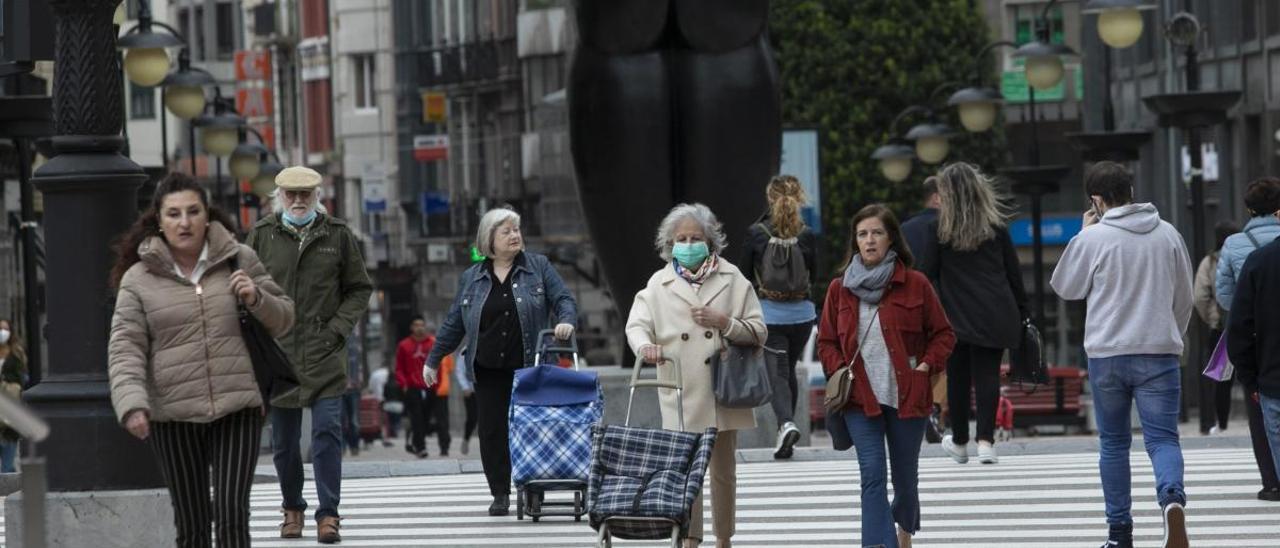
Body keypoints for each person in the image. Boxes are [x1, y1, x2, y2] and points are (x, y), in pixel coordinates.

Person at [107, 174, 295, 548]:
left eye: (193, 212)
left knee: (231, 514)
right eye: (173, 214)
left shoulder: (239, 258)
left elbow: (285, 318)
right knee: (192, 523)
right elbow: (125, 346)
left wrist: (256, 298)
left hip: (237, 405)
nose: (184, 222)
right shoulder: (138, 279)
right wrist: (131, 404)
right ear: (158, 221)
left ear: (207, 216)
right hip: (172, 414)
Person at [1050, 161, 1192, 548]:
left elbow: (1065, 287)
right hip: (1159, 352)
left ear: (1096, 200)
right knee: (1163, 440)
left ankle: (1119, 534)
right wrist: (1171, 336)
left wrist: (1083, 234)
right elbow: (1185, 297)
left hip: (1108, 354)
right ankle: (1172, 501)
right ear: (1131, 191)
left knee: (1114, 443)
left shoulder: (1094, 238)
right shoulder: (1168, 234)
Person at [626, 203, 765, 548]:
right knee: (686, 472)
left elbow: (759, 331)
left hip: (722, 388)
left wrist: (725, 323)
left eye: (695, 237)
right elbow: (637, 324)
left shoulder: (734, 278)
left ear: (710, 241)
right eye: (681, 239)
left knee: (723, 472)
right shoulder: (659, 283)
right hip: (680, 388)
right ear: (669, 244)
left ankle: (723, 537)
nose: (688, 244)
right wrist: (646, 348)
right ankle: (690, 537)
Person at [247, 166, 373, 543]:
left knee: (326, 434)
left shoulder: (338, 235)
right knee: (284, 445)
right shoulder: (261, 235)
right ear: (279, 197)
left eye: (306, 194)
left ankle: (329, 514)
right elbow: (243, 287)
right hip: (279, 354)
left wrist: (337, 329)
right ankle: (292, 508)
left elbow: (359, 289)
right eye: (291, 195)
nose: (299, 201)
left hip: (324, 353)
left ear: (318, 196)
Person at [423, 207, 577, 516]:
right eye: (506, 231)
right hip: (487, 368)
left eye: (517, 230)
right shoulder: (473, 277)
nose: (514, 236)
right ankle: (500, 493)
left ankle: (533, 488)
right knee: (492, 433)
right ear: (489, 239)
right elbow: (455, 323)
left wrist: (566, 320)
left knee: (532, 431)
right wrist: (434, 358)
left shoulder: (538, 267)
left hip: (528, 367)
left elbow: (564, 299)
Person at [817, 204, 955, 548]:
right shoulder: (840, 289)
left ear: (891, 238)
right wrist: (837, 369)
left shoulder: (916, 284)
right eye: (862, 234)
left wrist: (924, 367)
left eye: (877, 233)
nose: (869, 240)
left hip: (908, 396)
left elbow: (944, 334)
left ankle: (905, 528)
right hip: (859, 399)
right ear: (855, 242)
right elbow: (827, 341)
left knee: (905, 479)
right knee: (872, 476)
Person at [917, 163, 1028, 465]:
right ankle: (986, 442)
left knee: (959, 377)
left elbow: (927, 273)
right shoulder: (996, 228)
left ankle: (961, 441)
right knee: (988, 375)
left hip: (955, 315)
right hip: (996, 310)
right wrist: (1023, 311)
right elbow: (1013, 273)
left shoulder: (938, 229)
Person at [739, 175, 817, 459]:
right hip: (803, 316)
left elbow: (744, 275)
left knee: (777, 373)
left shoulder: (756, 232)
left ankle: (785, 424)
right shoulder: (806, 233)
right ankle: (787, 431)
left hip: (771, 314)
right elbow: (814, 274)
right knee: (787, 370)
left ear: (770, 198)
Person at [1214, 177, 1280, 501]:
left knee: (1261, 407)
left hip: (1257, 334)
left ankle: (1271, 479)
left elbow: (1225, 294)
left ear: (1250, 208)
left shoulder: (1234, 244)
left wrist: (1248, 305)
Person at [1226, 228, 1280, 497]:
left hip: (1272, 378)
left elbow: (1239, 326)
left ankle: (1273, 483)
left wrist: (1249, 377)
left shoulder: (1258, 261)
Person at [900, 176, 948, 440]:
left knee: (916, 359)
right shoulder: (946, 225)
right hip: (942, 301)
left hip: (910, 302)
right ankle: (935, 409)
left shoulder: (905, 229)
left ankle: (918, 409)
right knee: (939, 359)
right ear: (937, 198)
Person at [1193, 221, 1238, 436]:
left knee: (1222, 378)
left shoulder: (1210, 262)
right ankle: (1258, 418)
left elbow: (1200, 296)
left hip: (1221, 329)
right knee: (1255, 374)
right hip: (1251, 327)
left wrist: (1212, 317)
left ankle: (1221, 424)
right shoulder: (1247, 255)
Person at [396, 317, 435, 458]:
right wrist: (404, 384)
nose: (419, 328)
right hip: (412, 387)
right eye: (416, 325)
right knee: (417, 417)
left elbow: (439, 364)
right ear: (411, 327)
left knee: (426, 418)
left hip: (429, 386)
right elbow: (399, 368)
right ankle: (421, 447)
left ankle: (415, 440)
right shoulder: (404, 345)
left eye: (422, 325)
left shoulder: (432, 343)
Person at [0, 319, 27, 473]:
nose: (3, 332)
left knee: (7, 466)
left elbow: (21, 379)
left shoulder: (16, 353)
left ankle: (7, 491)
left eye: (5, 329)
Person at [340, 334, 363, 456]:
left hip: (354, 388)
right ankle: (342, 447)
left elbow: (359, 364)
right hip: (339, 388)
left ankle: (354, 446)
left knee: (354, 420)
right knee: (341, 419)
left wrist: (358, 381)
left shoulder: (354, 339)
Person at [366, 364, 397, 448]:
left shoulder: (377, 373)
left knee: (377, 419)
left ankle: (380, 437)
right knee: (384, 420)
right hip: (380, 400)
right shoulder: (385, 376)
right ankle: (385, 439)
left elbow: (371, 388)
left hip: (375, 398)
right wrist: (381, 400)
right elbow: (380, 388)